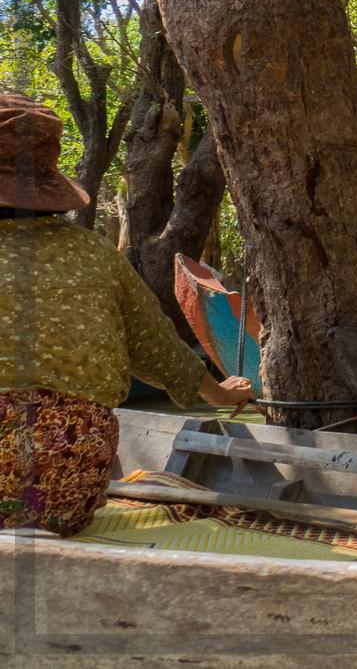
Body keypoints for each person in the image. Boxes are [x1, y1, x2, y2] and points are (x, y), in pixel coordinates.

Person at [0, 94, 254, 536]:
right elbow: (158, 350)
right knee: (85, 431)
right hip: (67, 490)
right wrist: (223, 394)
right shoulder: (94, 253)